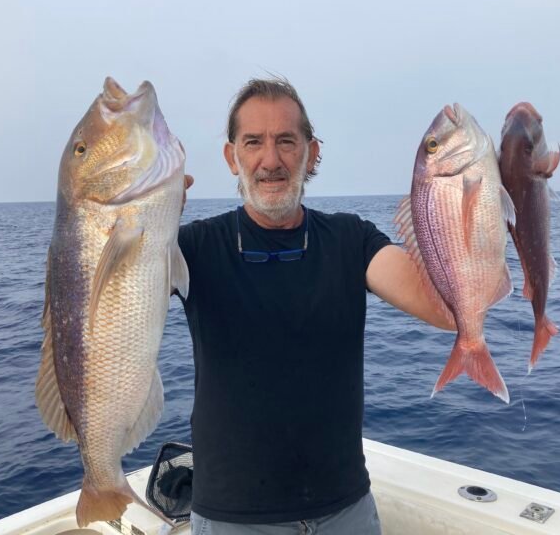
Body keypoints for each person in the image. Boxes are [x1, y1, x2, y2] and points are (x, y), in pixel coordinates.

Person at [176, 78, 453, 534]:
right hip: (232, 518)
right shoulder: (194, 247)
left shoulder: (351, 239)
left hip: (346, 510)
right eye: (253, 142)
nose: (271, 160)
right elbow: (110, 301)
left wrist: (494, 201)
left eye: (286, 141)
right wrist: (143, 223)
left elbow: (445, 307)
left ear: (312, 152)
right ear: (231, 157)